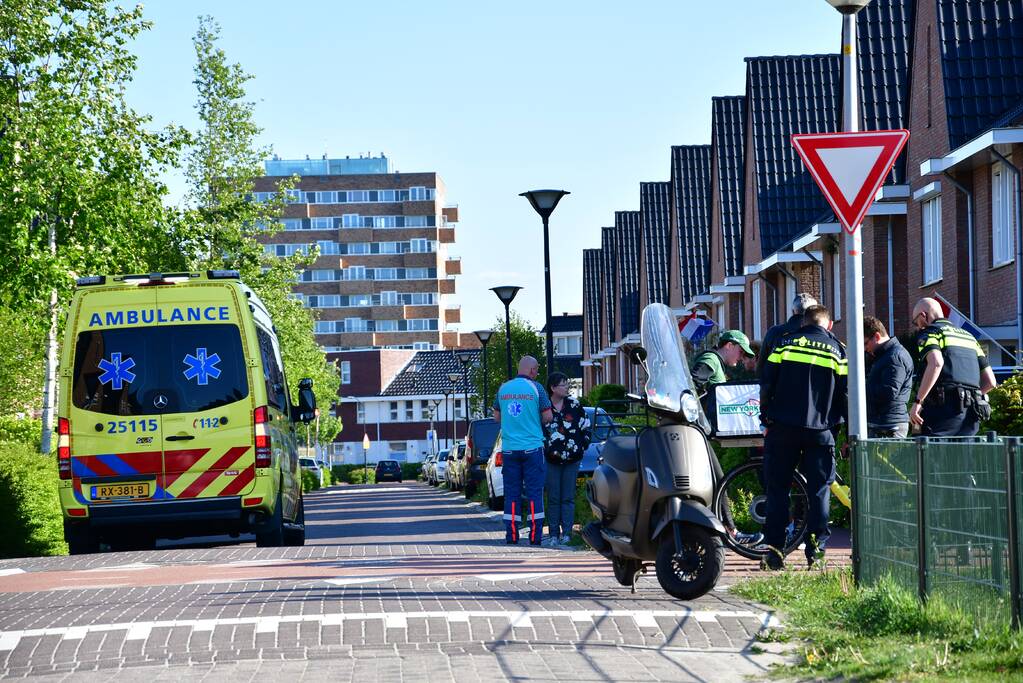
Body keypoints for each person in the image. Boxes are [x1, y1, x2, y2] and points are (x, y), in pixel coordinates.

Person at [759, 304, 847, 569]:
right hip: (821, 433)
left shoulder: (785, 344)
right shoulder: (837, 351)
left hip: (783, 429)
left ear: (803, 322)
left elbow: (766, 382)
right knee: (819, 492)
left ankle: (774, 553)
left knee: (778, 492)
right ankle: (816, 554)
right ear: (828, 325)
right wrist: (844, 433)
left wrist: (766, 417)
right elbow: (846, 395)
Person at [909, 298, 997, 436]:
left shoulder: (930, 333)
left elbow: (936, 363)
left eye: (916, 322)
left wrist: (918, 402)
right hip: (970, 416)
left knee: (930, 454)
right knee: (963, 456)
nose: (917, 326)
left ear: (923, 316)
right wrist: (971, 397)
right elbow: (991, 381)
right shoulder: (969, 337)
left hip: (940, 413)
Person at [493, 356, 553, 545]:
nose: (537, 373)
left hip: (510, 449)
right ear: (532, 370)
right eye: (536, 370)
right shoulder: (537, 389)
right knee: (535, 491)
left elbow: (496, 417)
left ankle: (511, 535)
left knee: (511, 492)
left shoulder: (503, 388)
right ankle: (535, 536)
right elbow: (548, 416)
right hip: (532, 448)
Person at [542, 372, 592, 547]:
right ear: (553, 388)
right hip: (551, 459)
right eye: (563, 385)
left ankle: (568, 534)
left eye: (567, 384)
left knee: (568, 497)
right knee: (554, 497)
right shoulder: (544, 407)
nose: (567, 388)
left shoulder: (574, 405)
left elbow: (586, 425)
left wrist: (583, 444)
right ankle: (554, 534)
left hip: (572, 458)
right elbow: (537, 429)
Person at [863, 316, 914, 438]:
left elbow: (889, 391)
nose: (865, 349)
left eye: (865, 343)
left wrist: (862, 388)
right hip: (885, 423)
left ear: (877, 336)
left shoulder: (894, 357)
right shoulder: (885, 356)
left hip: (889, 426)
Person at [757, 292, 818, 378]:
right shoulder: (821, 336)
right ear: (814, 313)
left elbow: (761, 368)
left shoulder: (774, 332)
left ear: (793, 311)